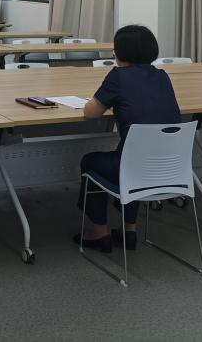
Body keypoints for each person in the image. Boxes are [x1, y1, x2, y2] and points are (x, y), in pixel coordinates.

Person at [76, 25, 182, 252]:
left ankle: (100, 233)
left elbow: (90, 112)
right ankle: (129, 230)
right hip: (169, 170)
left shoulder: (118, 76)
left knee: (92, 161)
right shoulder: (162, 76)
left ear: (120, 53)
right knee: (132, 154)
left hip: (135, 168)